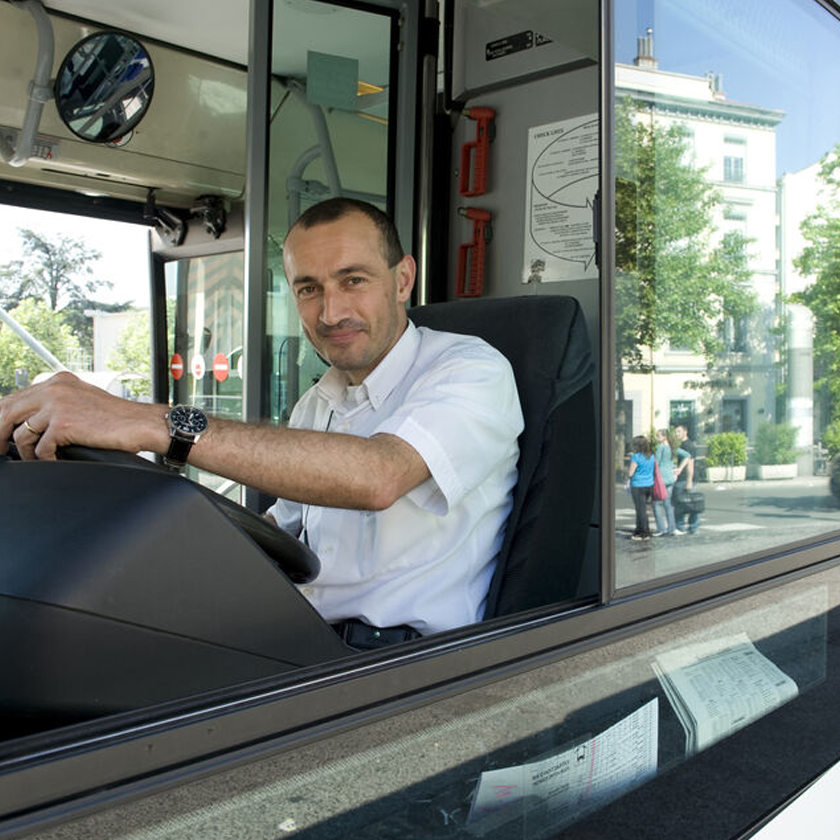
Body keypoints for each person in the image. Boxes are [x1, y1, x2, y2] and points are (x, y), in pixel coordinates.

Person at [0, 198, 524, 647]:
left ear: (403, 278)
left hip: (406, 663)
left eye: (353, 280)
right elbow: (281, 533)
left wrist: (154, 422)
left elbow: (378, 475)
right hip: (306, 638)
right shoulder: (318, 402)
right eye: (308, 288)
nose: (331, 311)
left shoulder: (470, 368)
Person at [652, 428, 688, 537]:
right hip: (670, 478)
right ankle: (672, 528)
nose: (656, 437)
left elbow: (656, 463)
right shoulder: (673, 447)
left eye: (658, 436)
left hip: (660, 479)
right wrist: (679, 469)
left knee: (656, 504)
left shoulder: (660, 447)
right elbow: (687, 455)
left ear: (664, 437)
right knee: (668, 504)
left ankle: (661, 529)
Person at [627, 435, 655, 540]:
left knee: (640, 510)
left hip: (638, 485)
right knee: (642, 509)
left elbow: (631, 472)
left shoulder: (636, 457)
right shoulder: (651, 456)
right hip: (649, 484)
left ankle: (644, 532)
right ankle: (638, 529)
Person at [673, 423, 700, 534]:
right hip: (684, 478)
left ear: (685, 432)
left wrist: (689, 481)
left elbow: (690, 464)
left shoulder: (688, 445)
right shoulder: (683, 445)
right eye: (676, 432)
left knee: (682, 504)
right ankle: (690, 527)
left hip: (685, 479)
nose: (676, 434)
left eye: (679, 431)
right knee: (689, 503)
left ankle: (683, 527)